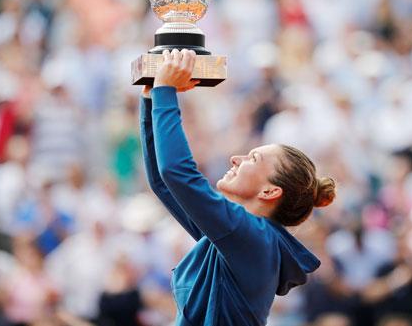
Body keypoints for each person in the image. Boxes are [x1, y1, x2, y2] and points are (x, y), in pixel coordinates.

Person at [139, 49, 336, 325]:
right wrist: (151, 101)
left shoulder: (253, 236)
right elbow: (164, 184)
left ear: (269, 191)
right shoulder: (237, 234)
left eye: (253, 158)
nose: (236, 158)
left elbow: (176, 174)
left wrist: (165, 92)